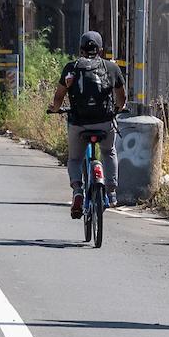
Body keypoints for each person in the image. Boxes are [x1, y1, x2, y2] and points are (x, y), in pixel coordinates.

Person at [46, 31, 126, 215]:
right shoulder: (111, 68)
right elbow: (121, 97)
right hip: (105, 123)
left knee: (74, 159)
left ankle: (77, 191)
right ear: (100, 49)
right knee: (109, 151)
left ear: (81, 49)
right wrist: (119, 109)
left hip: (79, 123)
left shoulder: (71, 68)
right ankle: (111, 191)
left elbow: (59, 97)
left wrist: (55, 109)